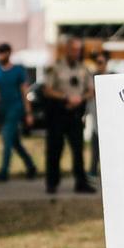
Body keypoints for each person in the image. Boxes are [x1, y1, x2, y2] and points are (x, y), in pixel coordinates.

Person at [43, 37, 96, 194]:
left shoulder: (83, 69)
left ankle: (81, 182)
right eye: (73, 49)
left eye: (78, 50)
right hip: (58, 112)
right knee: (55, 149)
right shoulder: (56, 67)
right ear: (67, 50)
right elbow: (47, 90)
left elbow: (90, 91)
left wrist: (80, 98)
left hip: (76, 114)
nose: (76, 53)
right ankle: (52, 183)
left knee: (78, 150)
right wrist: (66, 98)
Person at [0, 42, 37, 181]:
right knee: (15, 142)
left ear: (9, 53)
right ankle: (31, 166)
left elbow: (24, 91)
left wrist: (28, 113)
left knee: (7, 138)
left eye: (2, 52)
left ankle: (3, 172)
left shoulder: (18, 70)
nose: (0, 55)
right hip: (3, 109)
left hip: (16, 108)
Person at [86, 50, 109, 177]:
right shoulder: (92, 77)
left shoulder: (111, 76)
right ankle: (93, 170)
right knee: (95, 143)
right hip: (95, 113)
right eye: (97, 62)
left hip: (109, 116)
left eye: (101, 62)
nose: (99, 65)